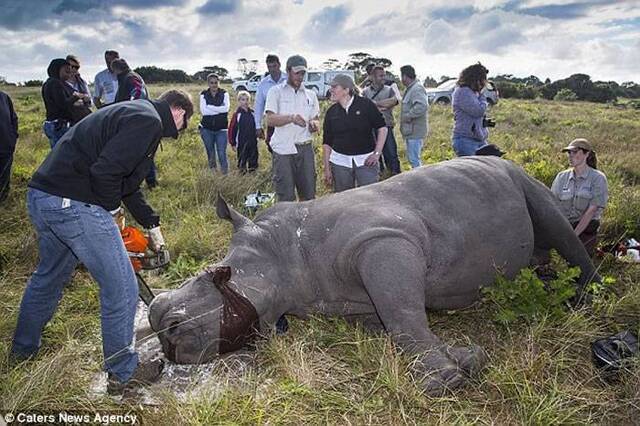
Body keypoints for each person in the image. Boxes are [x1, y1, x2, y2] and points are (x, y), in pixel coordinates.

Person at [10, 89, 194, 396]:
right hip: (74, 203)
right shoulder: (148, 121)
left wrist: (151, 223)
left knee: (49, 278)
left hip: (45, 197)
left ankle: (23, 350)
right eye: (185, 122)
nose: (182, 130)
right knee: (122, 287)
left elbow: (126, 184)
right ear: (178, 112)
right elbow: (105, 173)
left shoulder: (135, 112)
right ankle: (124, 372)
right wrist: (112, 213)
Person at [264, 54, 320, 202]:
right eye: (297, 73)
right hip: (283, 149)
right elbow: (270, 119)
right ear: (288, 71)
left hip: (305, 149)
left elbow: (315, 118)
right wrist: (291, 118)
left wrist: (314, 125)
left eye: (303, 73)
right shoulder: (275, 92)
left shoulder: (311, 95)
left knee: (308, 195)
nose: (300, 76)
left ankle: (306, 224)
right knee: (285, 195)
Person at [323, 74, 387, 192]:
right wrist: (327, 169)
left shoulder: (366, 105)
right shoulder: (331, 112)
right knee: (343, 200)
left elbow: (382, 128)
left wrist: (377, 154)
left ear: (346, 90)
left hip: (366, 161)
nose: (330, 90)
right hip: (340, 163)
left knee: (369, 198)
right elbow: (327, 143)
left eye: (334, 87)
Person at [550, 138, 608, 256]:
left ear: (586, 154)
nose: (570, 156)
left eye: (575, 152)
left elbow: (591, 211)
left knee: (579, 261)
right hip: (563, 227)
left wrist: (573, 236)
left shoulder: (598, 178)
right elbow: (553, 205)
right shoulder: (561, 177)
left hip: (584, 229)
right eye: (569, 153)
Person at [111, 58, 157, 188]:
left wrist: (130, 110)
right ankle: (146, 182)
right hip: (136, 120)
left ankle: (150, 182)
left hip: (136, 121)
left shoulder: (130, 77)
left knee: (142, 153)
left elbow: (137, 92)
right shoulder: (128, 77)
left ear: (116, 69)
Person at [363, 65, 401, 175]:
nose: (383, 78)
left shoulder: (389, 90)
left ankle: (395, 172)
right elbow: (366, 107)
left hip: (386, 124)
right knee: (375, 151)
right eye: (380, 76)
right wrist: (383, 105)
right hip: (371, 126)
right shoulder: (365, 92)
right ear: (373, 77)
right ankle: (380, 172)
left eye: (384, 75)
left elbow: (394, 101)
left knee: (391, 151)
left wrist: (375, 104)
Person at [41, 58, 84, 148]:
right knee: (64, 153)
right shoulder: (56, 83)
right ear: (57, 70)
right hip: (59, 125)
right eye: (66, 72)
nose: (69, 75)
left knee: (57, 152)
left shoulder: (48, 83)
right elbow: (63, 104)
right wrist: (76, 97)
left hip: (53, 123)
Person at [451, 63, 490, 156]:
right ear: (476, 79)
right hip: (466, 140)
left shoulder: (472, 93)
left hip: (477, 139)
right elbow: (478, 111)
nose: (484, 83)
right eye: (482, 79)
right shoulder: (463, 92)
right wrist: (483, 97)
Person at [254, 54, 286, 152]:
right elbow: (259, 105)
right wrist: (258, 126)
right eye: (269, 67)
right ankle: (277, 166)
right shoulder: (263, 84)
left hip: (288, 120)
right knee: (271, 144)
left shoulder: (289, 80)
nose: (272, 69)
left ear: (279, 65)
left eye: (274, 66)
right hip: (272, 121)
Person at [199, 73, 230, 174]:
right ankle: (214, 174)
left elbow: (226, 109)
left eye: (216, 83)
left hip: (221, 129)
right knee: (210, 153)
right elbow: (204, 112)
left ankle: (225, 175)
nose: (214, 85)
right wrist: (219, 109)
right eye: (211, 83)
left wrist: (210, 107)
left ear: (219, 83)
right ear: (208, 83)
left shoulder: (224, 93)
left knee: (221, 153)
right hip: (206, 129)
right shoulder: (203, 94)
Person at [399, 65, 428, 168]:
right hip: (411, 131)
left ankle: (419, 181)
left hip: (415, 131)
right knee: (413, 159)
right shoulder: (411, 89)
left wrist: (408, 116)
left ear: (405, 76)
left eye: (401, 76)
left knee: (414, 159)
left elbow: (422, 106)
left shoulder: (417, 88)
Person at [228, 90, 258, 173]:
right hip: (241, 141)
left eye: (247, 99)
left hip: (252, 141)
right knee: (242, 159)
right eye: (242, 99)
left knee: (253, 158)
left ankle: (253, 173)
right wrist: (233, 143)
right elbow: (232, 129)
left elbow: (257, 125)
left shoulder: (253, 113)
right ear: (239, 101)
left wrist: (260, 134)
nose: (245, 102)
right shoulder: (237, 115)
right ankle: (242, 175)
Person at [0, 90, 18, 204]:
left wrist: (13, 137)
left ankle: (3, 201)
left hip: (6, 145)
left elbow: (13, 118)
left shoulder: (4, 97)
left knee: (4, 176)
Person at [65, 54, 92, 123]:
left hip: (83, 119)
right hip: (67, 120)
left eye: (76, 67)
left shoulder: (82, 83)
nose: (73, 69)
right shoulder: (60, 83)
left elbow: (90, 102)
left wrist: (87, 99)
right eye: (71, 66)